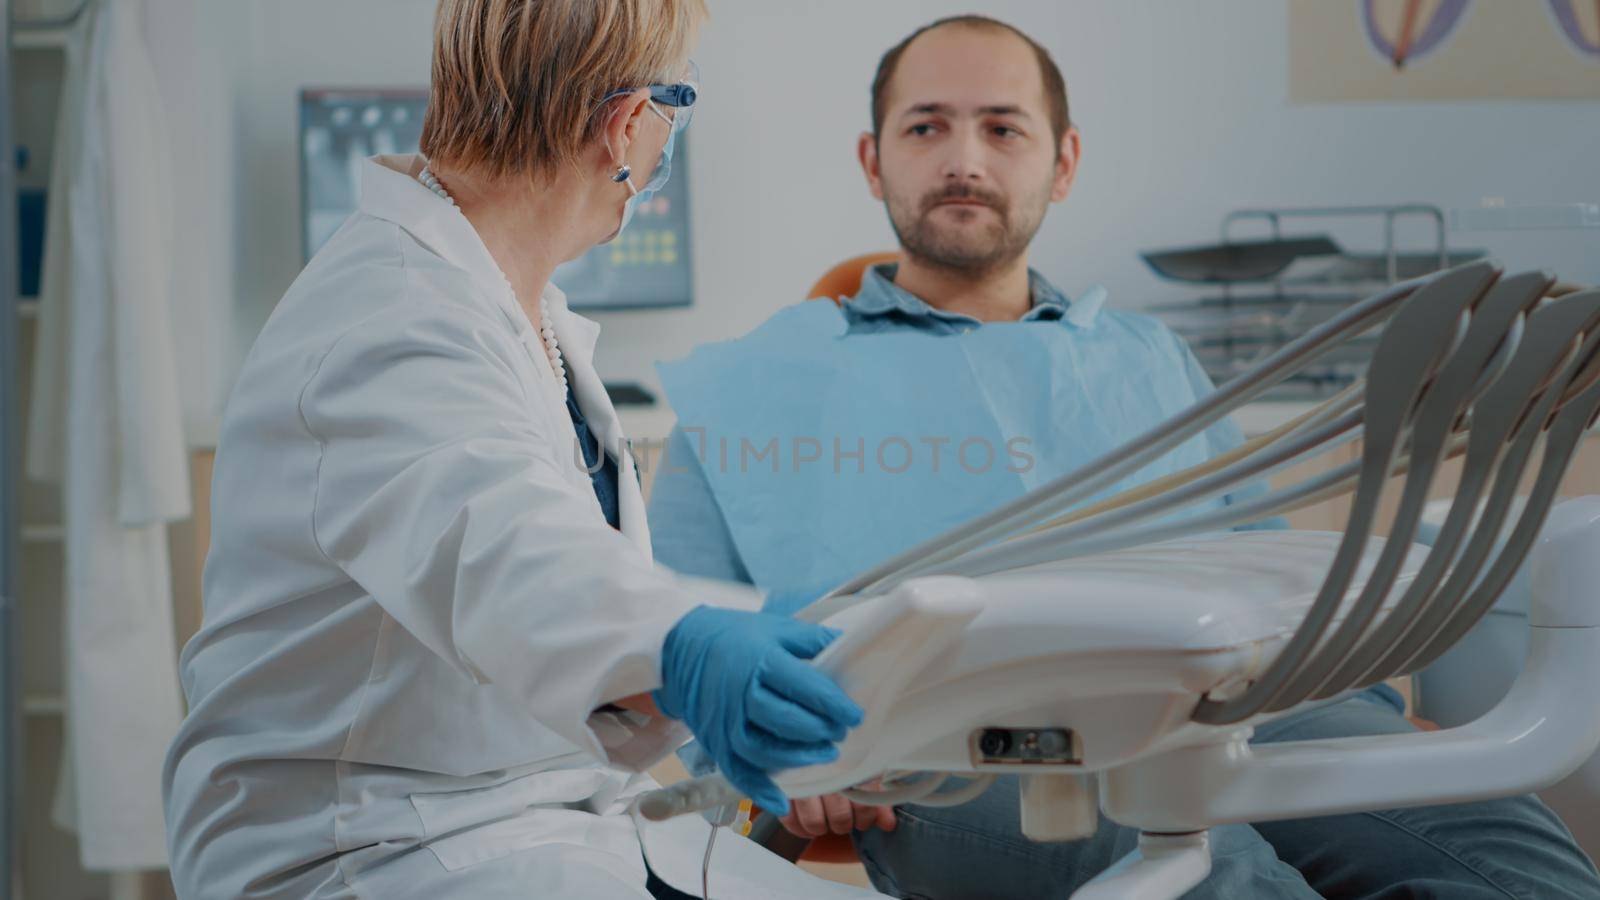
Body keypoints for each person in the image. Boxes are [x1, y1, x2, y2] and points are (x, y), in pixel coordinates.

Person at [647, 14, 1600, 899]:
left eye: (1004, 129)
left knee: (1496, 844)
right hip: (971, 750)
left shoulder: (1149, 358)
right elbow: (674, 654)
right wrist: (775, 767)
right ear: (873, 159)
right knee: (1218, 876)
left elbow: (1268, 573)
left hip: (1244, 705)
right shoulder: (755, 384)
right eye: (927, 127)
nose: (964, 160)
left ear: (1063, 164)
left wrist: (1366, 695)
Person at [161, 2, 869, 898]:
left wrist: (738, 626)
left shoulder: (506, 304)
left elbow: (557, 563)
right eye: (672, 110)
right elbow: (502, 542)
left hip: (523, 821)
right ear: (626, 124)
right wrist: (688, 650)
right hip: (373, 849)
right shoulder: (390, 318)